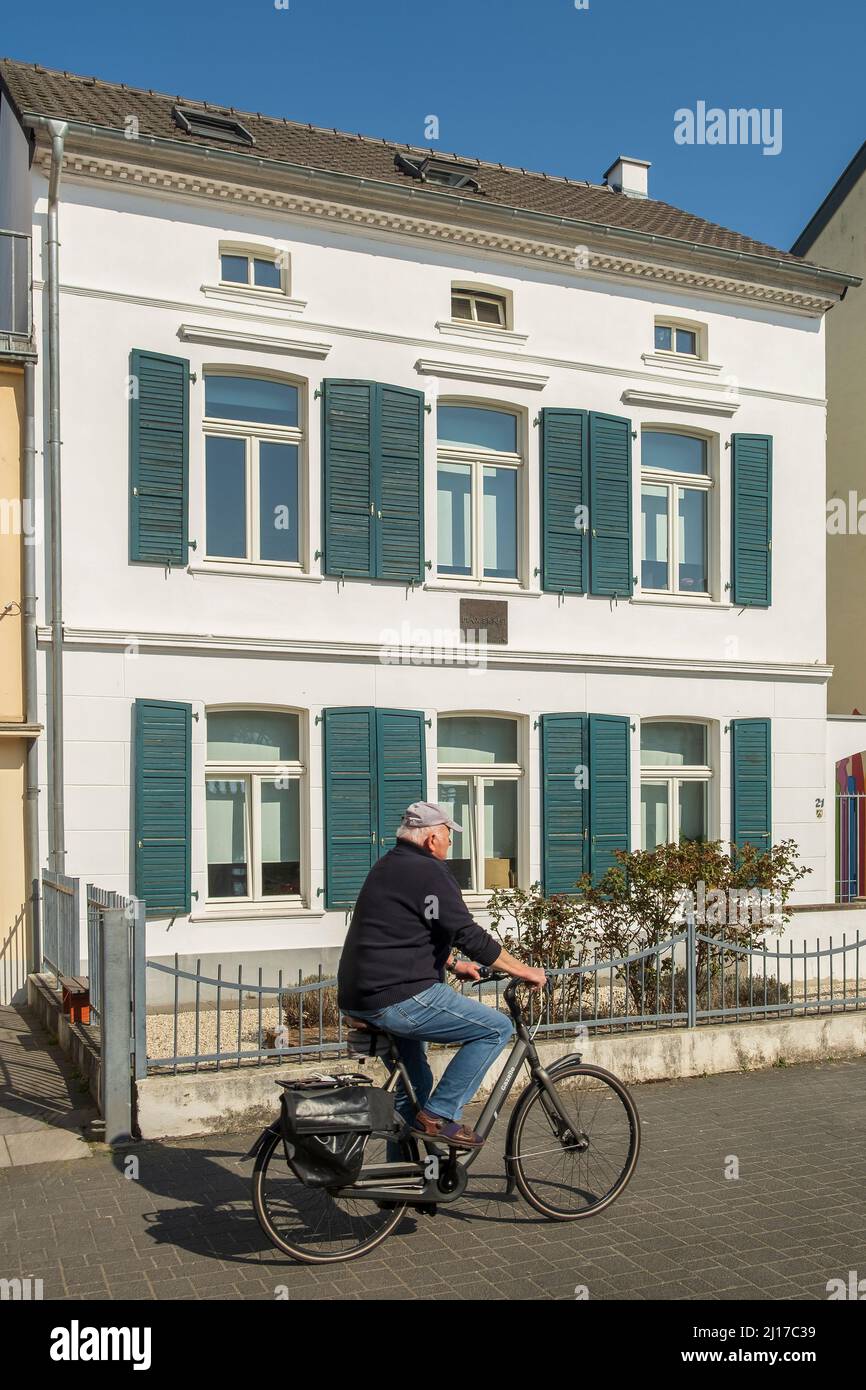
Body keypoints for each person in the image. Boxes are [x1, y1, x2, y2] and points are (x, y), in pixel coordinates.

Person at [337, 801, 547, 1148]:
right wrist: (524, 970)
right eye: (448, 836)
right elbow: (468, 934)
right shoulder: (429, 871)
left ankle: (402, 1187)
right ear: (432, 838)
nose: (451, 844)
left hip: (363, 995)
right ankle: (439, 1116)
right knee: (497, 1028)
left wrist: (451, 964)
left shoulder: (389, 865)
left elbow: (404, 930)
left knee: (414, 1090)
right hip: (399, 996)